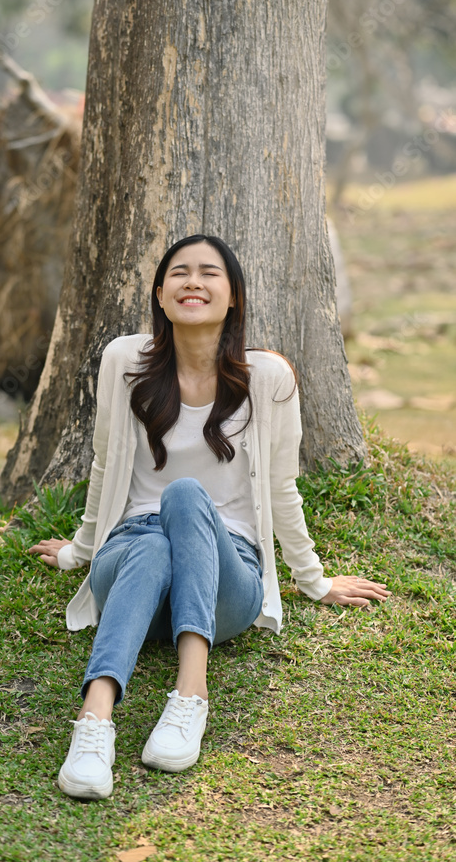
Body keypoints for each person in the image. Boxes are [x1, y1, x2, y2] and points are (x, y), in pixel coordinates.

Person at [29, 234, 389, 801]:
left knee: (185, 495)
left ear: (234, 297)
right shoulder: (124, 361)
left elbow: (281, 489)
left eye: (209, 273)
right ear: (160, 294)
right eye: (179, 272)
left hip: (228, 579)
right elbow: (105, 464)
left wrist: (312, 581)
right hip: (131, 562)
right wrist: (79, 550)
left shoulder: (268, 378)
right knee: (151, 542)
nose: (192, 281)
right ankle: (94, 723)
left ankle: (189, 696)